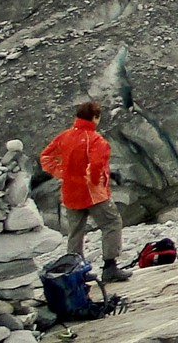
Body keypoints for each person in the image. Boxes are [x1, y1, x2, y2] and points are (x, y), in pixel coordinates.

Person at [39, 101, 132, 283]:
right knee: (112, 223)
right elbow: (96, 164)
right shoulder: (96, 140)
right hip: (92, 193)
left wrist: (60, 172)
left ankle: (76, 271)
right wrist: (96, 181)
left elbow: (46, 156)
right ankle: (110, 267)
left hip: (70, 192)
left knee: (75, 231)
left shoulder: (65, 136)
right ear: (95, 118)